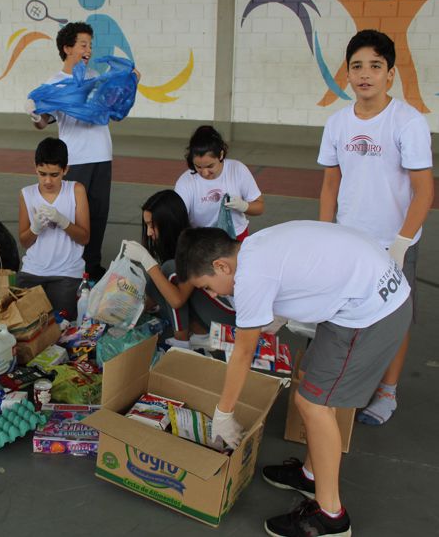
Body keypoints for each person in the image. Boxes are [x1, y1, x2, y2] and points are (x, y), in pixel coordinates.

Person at [176, 222, 412, 536]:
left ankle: (331, 516)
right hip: (368, 292)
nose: (212, 293)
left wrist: (224, 413)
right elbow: (300, 270)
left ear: (221, 265)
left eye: (208, 285)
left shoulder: (250, 276)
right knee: (310, 382)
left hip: (372, 313)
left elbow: (243, 353)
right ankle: (311, 476)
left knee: (313, 404)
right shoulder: (254, 247)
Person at [318, 30, 433, 426]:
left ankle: (387, 393)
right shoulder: (336, 123)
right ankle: (347, 381)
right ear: (346, 73)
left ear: (390, 74)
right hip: (350, 240)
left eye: (375, 66)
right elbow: (331, 184)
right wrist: (324, 233)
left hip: (393, 243)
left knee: (393, 319)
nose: (365, 74)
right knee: (344, 313)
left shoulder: (408, 122)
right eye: (356, 66)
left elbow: (423, 190)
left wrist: (401, 243)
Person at [24, 22, 138, 281]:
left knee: (99, 213)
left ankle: (93, 264)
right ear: (67, 48)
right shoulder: (55, 84)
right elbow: (43, 123)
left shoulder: (94, 78)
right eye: (83, 44)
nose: (88, 50)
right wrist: (32, 113)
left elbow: (113, 110)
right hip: (76, 157)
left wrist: (128, 83)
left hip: (102, 154)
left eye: (90, 45)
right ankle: (74, 266)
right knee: (77, 216)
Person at [121, 190, 235, 348]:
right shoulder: (172, 244)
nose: (148, 232)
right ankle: (195, 332)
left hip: (227, 316)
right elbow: (156, 290)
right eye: (146, 225)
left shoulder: (192, 246)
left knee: (169, 269)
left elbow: (177, 300)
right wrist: (129, 310)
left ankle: (182, 341)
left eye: (152, 225)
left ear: (167, 222)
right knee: (156, 279)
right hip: (208, 312)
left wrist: (147, 261)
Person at [17, 137, 89, 318]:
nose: (47, 181)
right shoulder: (27, 194)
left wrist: (63, 222)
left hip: (66, 273)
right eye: (42, 174)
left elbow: (84, 238)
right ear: (35, 167)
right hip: (32, 271)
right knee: (24, 324)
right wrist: (35, 228)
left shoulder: (76, 190)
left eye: (54, 175)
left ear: (66, 169)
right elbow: (24, 242)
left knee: (64, 326)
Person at [175, 125, 264, 240]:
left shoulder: (237, 169)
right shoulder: (185, 182)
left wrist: (244, 206)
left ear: (221, 155)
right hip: (201, 240)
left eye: (210, 166)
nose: (205, 172)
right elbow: (177, 216)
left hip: (235, 236)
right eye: (198, 167)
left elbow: (260, 207)